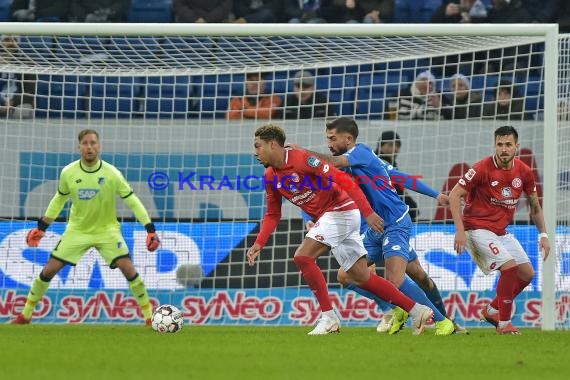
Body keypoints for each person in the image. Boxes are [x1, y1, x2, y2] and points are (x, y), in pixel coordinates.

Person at [247, 124, 434, 335]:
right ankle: (417, 310)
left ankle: (329, 317)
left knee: (303, 257)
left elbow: (343, 178)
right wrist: (258, 243)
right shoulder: (271, 176)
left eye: (258, 146)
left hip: (341, 210)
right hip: (331, 217)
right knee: (361, 276)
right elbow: (273, 214)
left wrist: (368, 212)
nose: (255, 152)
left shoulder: (301, 159)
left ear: (273, 145)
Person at [291, 117, 457, 336]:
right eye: (327, 139)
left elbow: (401, 177)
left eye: (333, 138)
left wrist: (301, 154)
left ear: (348, 139)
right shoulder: (346, 166)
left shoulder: (361, 153)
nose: (329, 143)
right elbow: (315, 191)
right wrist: (307, 217)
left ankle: (443, 321)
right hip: (375, 229)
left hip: (396, 223)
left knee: (406, 277)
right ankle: (394, 308)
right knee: (345, 275)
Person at [12, 129, 160, 325]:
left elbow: (132, 201)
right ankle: (25, 315)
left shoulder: (112, 173)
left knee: (128, 269)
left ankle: (149, 317)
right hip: (77, 230)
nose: (89, 147)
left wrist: (149, 229)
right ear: (79, 147)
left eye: (93, 143)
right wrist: (42, 227)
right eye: (85, 143)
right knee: (48, 271)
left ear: (99, 146)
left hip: (107, 230)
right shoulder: (68, 172)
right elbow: (59, 200)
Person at [448, 125, 551, 334]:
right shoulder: (481, 168)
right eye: (500, 145)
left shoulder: (524, 172)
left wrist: (544, 234)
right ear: (495, 145)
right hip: (475, 228)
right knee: (510, 268)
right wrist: (459, 230)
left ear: (516, 147)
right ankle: (504, 324)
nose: (504, 149)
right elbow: (453, 195)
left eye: (508, 145)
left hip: (500, 231)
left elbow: (535, 206)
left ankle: (492, 310)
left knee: (527, 273)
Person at [374, 130, 419, 221]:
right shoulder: (380, 164)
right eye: (390, 145)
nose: (395, 149)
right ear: (380, 146)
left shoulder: (391, 164)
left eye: (398, 146)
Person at [0, 35, 35, 119]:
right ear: (1, 42)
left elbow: (29, 91)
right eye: (7, 39)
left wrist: (12, 102)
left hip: (18, 103)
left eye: (15, 40)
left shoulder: (27, 63)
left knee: (22, 111)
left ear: (19, 43)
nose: (11, 43)